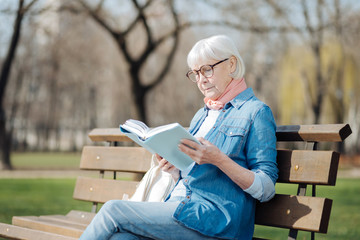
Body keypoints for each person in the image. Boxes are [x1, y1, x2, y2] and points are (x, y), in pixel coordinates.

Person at [79, 35, 278, 240]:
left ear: (231, 64)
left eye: (207, 69)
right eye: (195, 73)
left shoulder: (256, 112)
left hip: (214, 221)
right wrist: (174, 168)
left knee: (113, 210)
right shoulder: (202, 114)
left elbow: (266, 188)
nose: (201, 80)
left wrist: (219, 159)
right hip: (179, 208)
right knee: (120, 239)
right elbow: (193, 173)